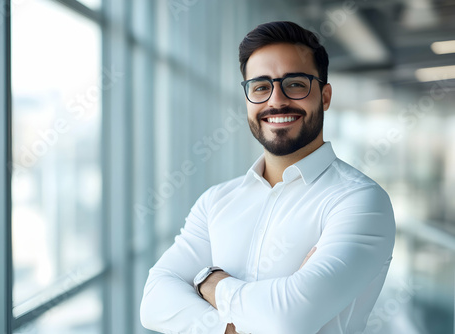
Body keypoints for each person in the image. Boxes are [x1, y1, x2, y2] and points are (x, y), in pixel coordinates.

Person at [140, 21, 395, 334]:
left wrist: (209, 282)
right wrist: (236, 326)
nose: (276, 101)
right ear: (247, 98)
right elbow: (153, 303)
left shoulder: (360, 201)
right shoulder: (215, 201)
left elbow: (287, 319)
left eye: (296, 84)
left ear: (325, 96)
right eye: (261, 87)